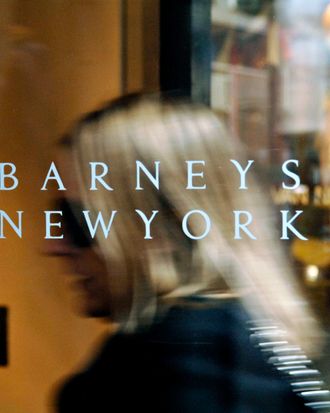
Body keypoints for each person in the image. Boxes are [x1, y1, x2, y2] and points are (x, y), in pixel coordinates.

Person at [48, 94, 326, 412]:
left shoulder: (177, 359)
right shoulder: (246, 338)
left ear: (162, 226)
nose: (54, 246)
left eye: (77, 220)